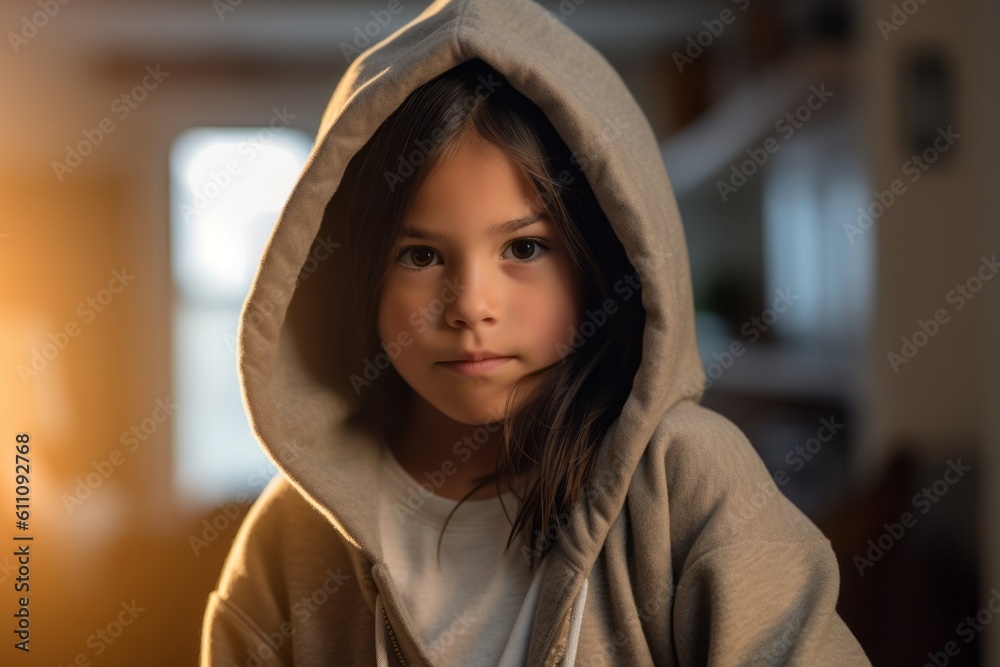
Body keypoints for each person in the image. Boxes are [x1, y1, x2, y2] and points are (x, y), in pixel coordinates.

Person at [199, 0, 872, 665]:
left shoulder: (689, 482)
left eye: (523, 249)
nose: (471, 307)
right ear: (358, 279)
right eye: (420, 255)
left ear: (600, 262)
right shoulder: (288, 537)